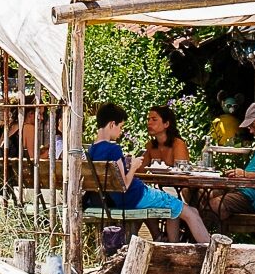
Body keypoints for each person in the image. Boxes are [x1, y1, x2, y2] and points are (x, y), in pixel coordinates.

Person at [88, 102, 209, 245]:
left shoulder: (91, 150)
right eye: (121, 127)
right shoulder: (113, 149)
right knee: (189, 212)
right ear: (112, 124)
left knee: (177, 208)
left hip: (117, 199)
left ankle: (166, 243)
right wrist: (132, 167)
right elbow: (124, 185)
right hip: (135, 196)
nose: (120, 132)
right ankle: (212, 251)